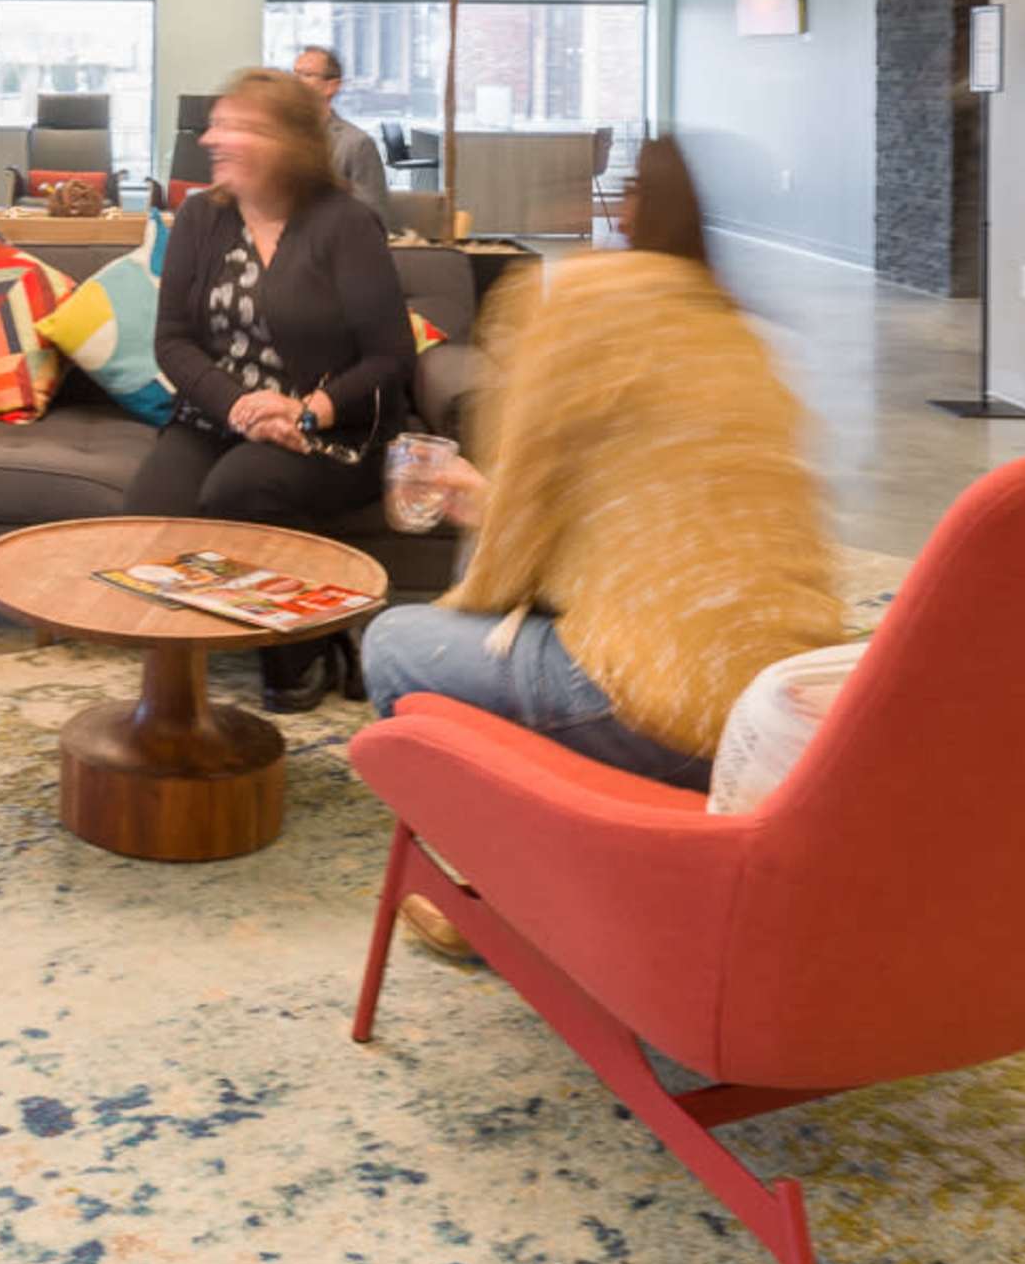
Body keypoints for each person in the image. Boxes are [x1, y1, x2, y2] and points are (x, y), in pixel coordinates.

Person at [363, 142, 847, 957]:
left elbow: (512, 556)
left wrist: (488, 526)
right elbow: (642, 515)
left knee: (399, 646)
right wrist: (504, 512)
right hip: (792, 713)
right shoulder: (738, 331)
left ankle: (505, 899)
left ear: (612, 211)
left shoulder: (575, 301)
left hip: (665, 704)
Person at [131, 66, 413, 712]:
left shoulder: (345, 223)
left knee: (240, 488)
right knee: (150, 512)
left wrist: (306, 410)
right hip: (219, 414)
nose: (212, 138)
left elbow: (390, 355)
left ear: (289, 143)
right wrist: (236, 406)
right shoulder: (202, 216)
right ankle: (181, 686)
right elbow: (172, 340)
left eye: (237, 126)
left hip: (334, 423)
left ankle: (300, 649)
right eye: (218, 123)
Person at [290, 45, 393, 212]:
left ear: (332, 86)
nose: (295, 82)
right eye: (294, 74)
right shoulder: (277, 137)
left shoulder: (356, 144)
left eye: (306, 75)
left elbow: (372, 217)